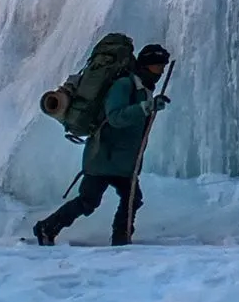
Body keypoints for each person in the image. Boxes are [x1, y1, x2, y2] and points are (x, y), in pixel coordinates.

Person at [33, 43, 172, 246]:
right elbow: (115, 117)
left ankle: (121, 238)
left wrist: (148, 105)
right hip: (104, 156)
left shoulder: (142, 89)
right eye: (158, 65)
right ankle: (47, 227)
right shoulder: (125, 85)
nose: (161, 70)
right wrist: (147, 107)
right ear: (147, 65)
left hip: (121, 161)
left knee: (131, 199)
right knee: (89, 201)